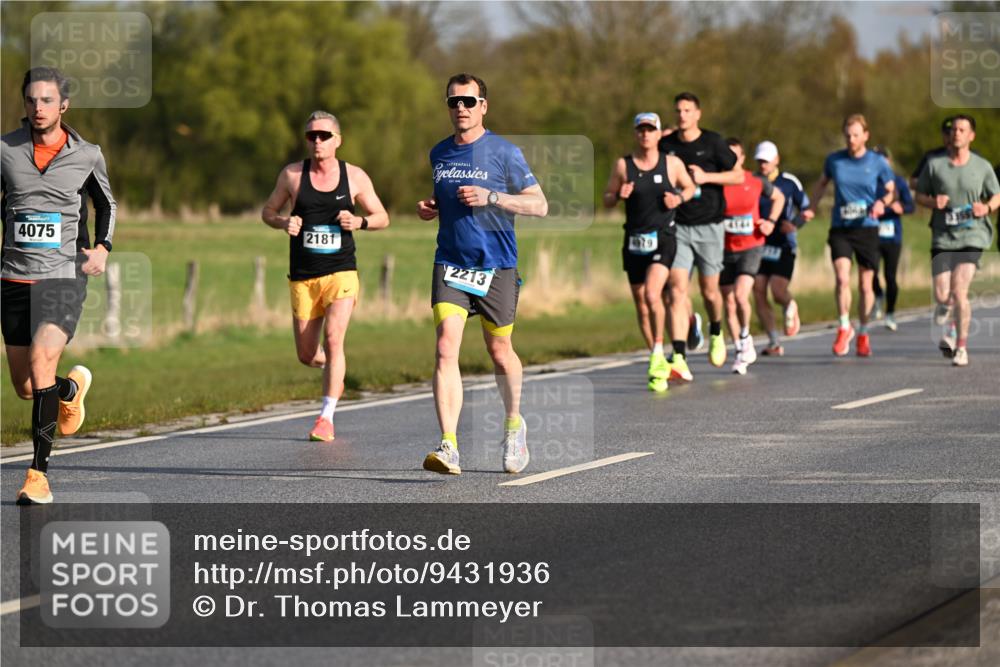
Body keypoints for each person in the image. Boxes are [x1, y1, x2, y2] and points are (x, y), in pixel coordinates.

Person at [417, 73, 547, 475]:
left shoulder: (504, 152)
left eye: (469, 101)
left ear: (483, 106)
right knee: (444, 348)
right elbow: (451, 200)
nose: (461, 108)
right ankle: (449, 445)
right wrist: (433, 208)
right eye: (454, 101)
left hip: (496, 265)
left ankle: (513, 425)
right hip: (451, 263)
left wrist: (492, 197)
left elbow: (539, 205)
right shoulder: (439, 153)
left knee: (499, 352)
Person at [2, 67, 116, 504]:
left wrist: (103, 247)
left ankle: (38, 475)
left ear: (63, 106)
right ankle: (70, 391)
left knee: (41, 360)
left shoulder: (87, 154)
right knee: (28, 386)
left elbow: (106, 203)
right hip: (13, 275)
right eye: (32, 100)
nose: (38, 107)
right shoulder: (5, 151)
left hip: (63, 276)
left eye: (47, 100)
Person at [262, 111, 389, 441]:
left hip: (341, 272)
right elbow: (268, 211)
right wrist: (282, 223)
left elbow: (382, 217)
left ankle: (326, 418)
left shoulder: (355, 177)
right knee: (307, 355)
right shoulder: (292, 175)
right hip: (303, 276)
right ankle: (336, 369)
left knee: (334, 339)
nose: (317, 141)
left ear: (338, 140)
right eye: (311, 136)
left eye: (323, 136)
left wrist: (359, 222)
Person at [603, 112, 696, 391]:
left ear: (658, 134)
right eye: (641, 130)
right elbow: (607, 198)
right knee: (642, 306)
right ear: (636, 134)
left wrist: (677, 197)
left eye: (650, 129)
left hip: (663, 238)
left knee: (652, 294)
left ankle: (659, 354)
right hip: (633, 240)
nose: (645, 134)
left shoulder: (671, 163)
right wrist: (619, 195)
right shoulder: (624, 165)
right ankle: (656, 356)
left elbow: (691, 187)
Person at [659, 92, 743, 379]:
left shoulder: (713, 142)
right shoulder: (666, 145)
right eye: (678, 110)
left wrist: (707, 178)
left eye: (687, 110)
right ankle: (679, 356)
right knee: (676, 290)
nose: (682, 115)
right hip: (678, 226)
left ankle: (716, 330)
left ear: (697, 114)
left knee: (710, 292)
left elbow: (738, 175)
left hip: (710, 225)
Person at [915, 114, 999, 367]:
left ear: (971, 135)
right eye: (953, 130)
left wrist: (986, 208)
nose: (956, 133)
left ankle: (961, 347)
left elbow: (997, 195)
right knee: (942, 294)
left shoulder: (982, 166)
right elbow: (919, 194)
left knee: (959, 290)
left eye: (962, 130)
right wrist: (932, 202)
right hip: (943, 236)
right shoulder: (935, 165)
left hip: (972, 235)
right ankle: (945, 306)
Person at [808, 114, 895, 357]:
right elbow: (821, 183)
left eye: (856, 135)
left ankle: (864, 331)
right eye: (847, 135)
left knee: (866, 285)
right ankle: (844, 325)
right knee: (842, 278)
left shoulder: (877, 162)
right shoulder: (834, 160)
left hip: (866, 227)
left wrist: (881, 204)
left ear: (866, 136)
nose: (851, 139)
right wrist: (812, 206)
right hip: (841, 228)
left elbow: (890, 191)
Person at [720, 138, 784, 375]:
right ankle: (739, 349)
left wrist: (770, 222)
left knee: (739, 295)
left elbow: (779, 198)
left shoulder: (754, 181)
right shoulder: (718, 183)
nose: (731, 160)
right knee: (727, 302)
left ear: (743, 158)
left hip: (751, 246)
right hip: (725, 249)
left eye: (735, 155)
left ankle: (746, 335)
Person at [752, 141, 813, 356]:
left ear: (776, 160)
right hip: (759, 243)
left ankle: (790, 305)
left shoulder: (789, 182)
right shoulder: (753, 181)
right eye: (760, 160)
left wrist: (794, 224)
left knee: (777, 291)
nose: (763, 165)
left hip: (783, 244)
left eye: (767, 161)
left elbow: (807, 210)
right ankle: (773, 341)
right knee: (758, 290)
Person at [870, 146, 915, 331]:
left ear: (889, 161)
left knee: (890, 276)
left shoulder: (898, 181)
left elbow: (911, 206)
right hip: (871, 233)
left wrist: (902, 208)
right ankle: (878, 295)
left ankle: (890, 313)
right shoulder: (869, 180)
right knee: (870, 271)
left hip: (892, 236)